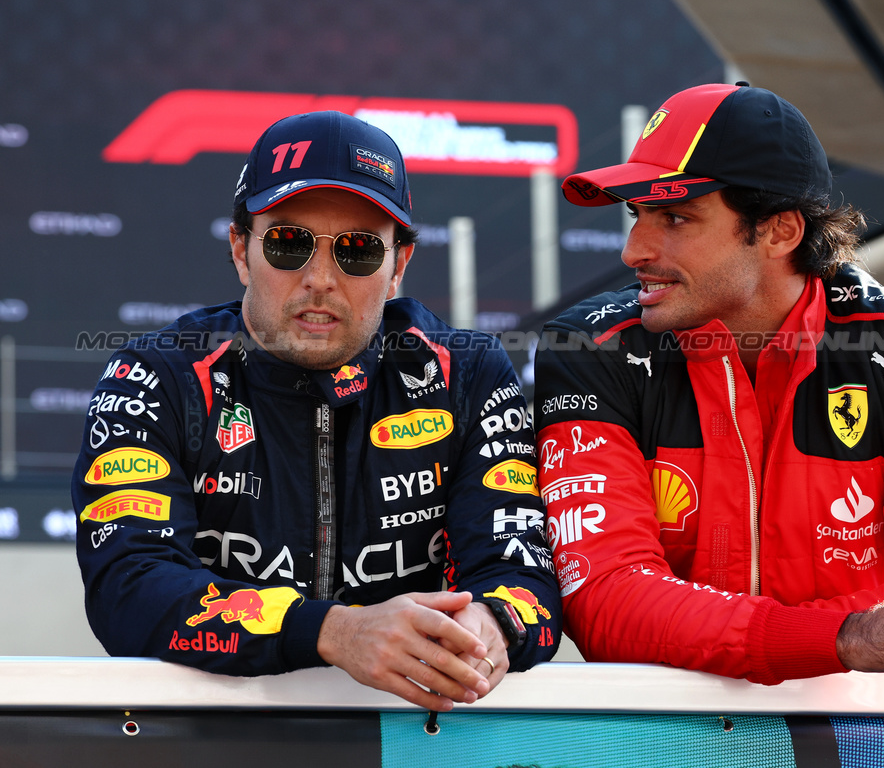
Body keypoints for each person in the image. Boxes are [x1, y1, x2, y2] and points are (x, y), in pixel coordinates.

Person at [73, 111, 560, 710]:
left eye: (357, 250)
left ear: (398, 265)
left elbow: (525, 582)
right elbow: (128, 589)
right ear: (240, 250)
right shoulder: (158, 376)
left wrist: (490, 626)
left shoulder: (467, 374)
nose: (321, 278)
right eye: (288, 243)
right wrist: (336, 633)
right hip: (214, 740)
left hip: (415, 736)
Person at [535, 82, 884, 687]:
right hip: (663, 739)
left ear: (780, 231)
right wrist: (847, 637)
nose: (635, 250)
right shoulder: (588, 345)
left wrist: (757, 639)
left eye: (675, 217)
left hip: (861, 736)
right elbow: (604, 599)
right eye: (638, 215)